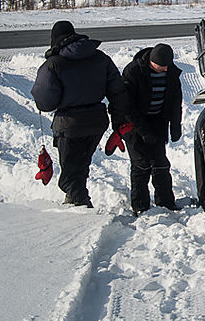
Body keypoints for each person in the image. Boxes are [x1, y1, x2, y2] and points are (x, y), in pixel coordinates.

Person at [31, 20, 129, 207]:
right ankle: (73, 201)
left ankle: (82, 208)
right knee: (80, 166)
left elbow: (45, 102)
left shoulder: (54, 64)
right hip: (97, 122)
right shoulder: (100, 58)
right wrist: (118, 123)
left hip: (69, 124)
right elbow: (118, 92)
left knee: (69, 175)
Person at [120, 43, 183, 215]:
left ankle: (166, 202)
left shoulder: (170, 73)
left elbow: (175, 101)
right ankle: (140, 206)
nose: (164, 69)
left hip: (158, 122)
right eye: (160, 66)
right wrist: (143, 131)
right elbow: (127, 107)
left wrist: (175, 126)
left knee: (161, 164)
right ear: (151, 61)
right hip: (134, 124)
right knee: (141, 164)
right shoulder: (133, 72)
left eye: (166, 66)